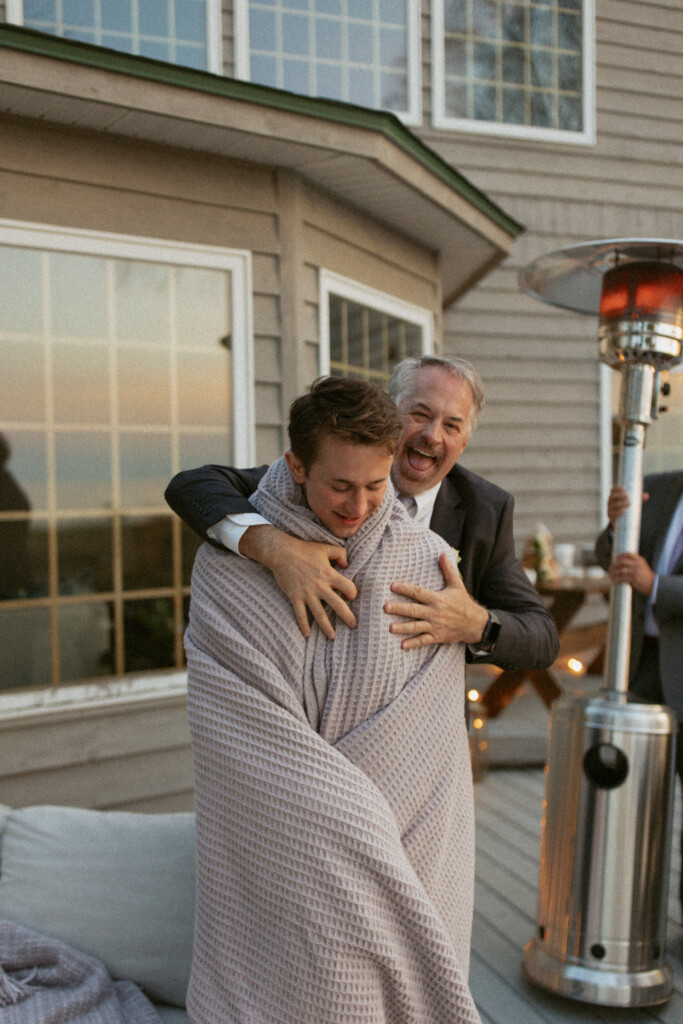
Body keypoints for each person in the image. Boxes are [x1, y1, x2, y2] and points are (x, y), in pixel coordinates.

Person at [184, 377, 481, 1024]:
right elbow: (235, 724)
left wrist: (478, 624)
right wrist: (271, 547)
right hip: (279, 839)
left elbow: (427, 735)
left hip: (405, 840)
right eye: (339, 485)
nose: (357, 505)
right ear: (295, 466)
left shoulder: (425, 559)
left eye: (375, 486)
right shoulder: (228, 563)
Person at [166, 356, 558, 673]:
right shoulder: (322, 474)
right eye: (419, 414)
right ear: (389, 414)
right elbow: (191, 486)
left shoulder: (486, 509)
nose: (432, 435)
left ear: (464, 442)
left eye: (451, 425)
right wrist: (275, 547)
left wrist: (473, 623)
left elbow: (541, 638)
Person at [596, 470, 683, 907]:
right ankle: (626, 919)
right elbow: (606, 555)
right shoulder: (659, 486)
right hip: (641, 669)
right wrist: (616, 527)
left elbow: (646, 580)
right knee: (629, 804)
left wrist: (656, 586)